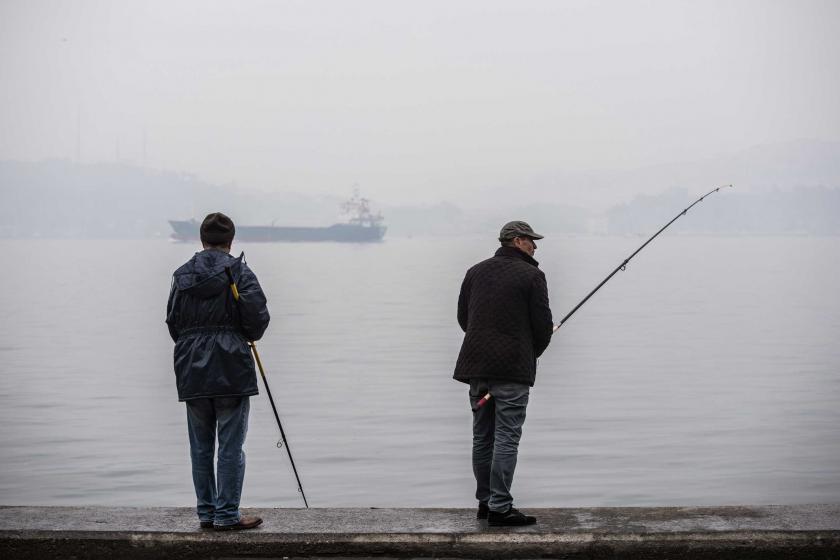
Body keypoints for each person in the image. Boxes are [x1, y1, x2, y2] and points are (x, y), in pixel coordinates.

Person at [166, 212, 270, 531]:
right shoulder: (238, 272)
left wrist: (193, 345)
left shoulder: (181, 275)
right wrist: (235, 335)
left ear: (201, 239)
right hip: (231, 366)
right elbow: (257, 321)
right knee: (230, 445)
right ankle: (227, 515)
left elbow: (173, 322)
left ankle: (207, 514)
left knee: (200, 446)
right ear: (230, 240)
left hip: (191, 368)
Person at [453, 221, 554, 526]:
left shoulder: (475, 271)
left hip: (477, 369)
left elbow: (463, 318)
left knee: (482, 437)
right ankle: (500, 507)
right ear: (518, 241)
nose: (535, 246)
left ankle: (485, 502)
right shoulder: (533, 276)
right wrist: (528, 352)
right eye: (531, 241)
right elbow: (543, 328)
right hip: (511, 372)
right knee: (506, 437)